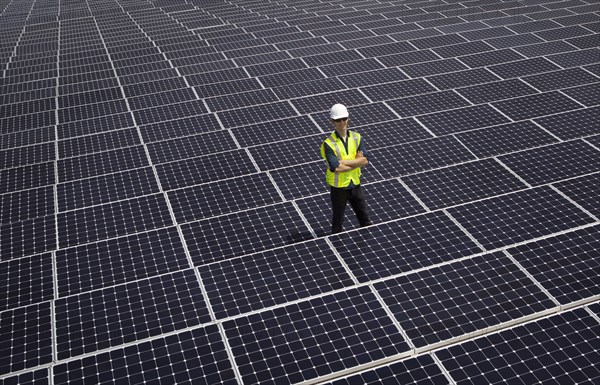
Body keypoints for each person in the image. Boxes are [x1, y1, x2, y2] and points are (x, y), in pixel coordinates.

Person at [320, 103, 373, 234]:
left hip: (355, 184)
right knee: (337, 223)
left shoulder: (357, 137)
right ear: (332, 121)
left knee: (365, 220)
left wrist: (343, 162)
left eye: (344, 119)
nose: (342, 122)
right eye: (338, 120)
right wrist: (356, 162)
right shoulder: (328, 144)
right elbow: (335, 168)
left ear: (348, 119)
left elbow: (365, 160)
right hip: (339, 188)